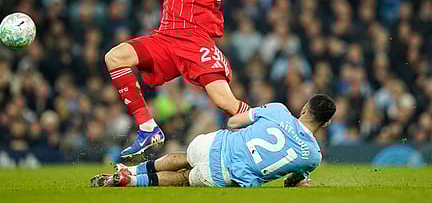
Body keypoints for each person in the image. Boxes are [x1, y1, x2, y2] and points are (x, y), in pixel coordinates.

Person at [104, 0, 248, 160]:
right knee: (115, 57)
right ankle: (148, 129)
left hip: (194, 39)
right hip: (166, 35)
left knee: (226, 103)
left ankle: (272, 133)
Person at [91, 94, 336, 188]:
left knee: (186, 157)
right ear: (325, 124)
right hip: (226, 175)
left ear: (304, 108)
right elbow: (291, 183)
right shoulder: (313, 156)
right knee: (185, 178)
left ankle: (130, 170)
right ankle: (131, 181)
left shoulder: (278, 110)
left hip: (214, 144)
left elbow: (232, 122)